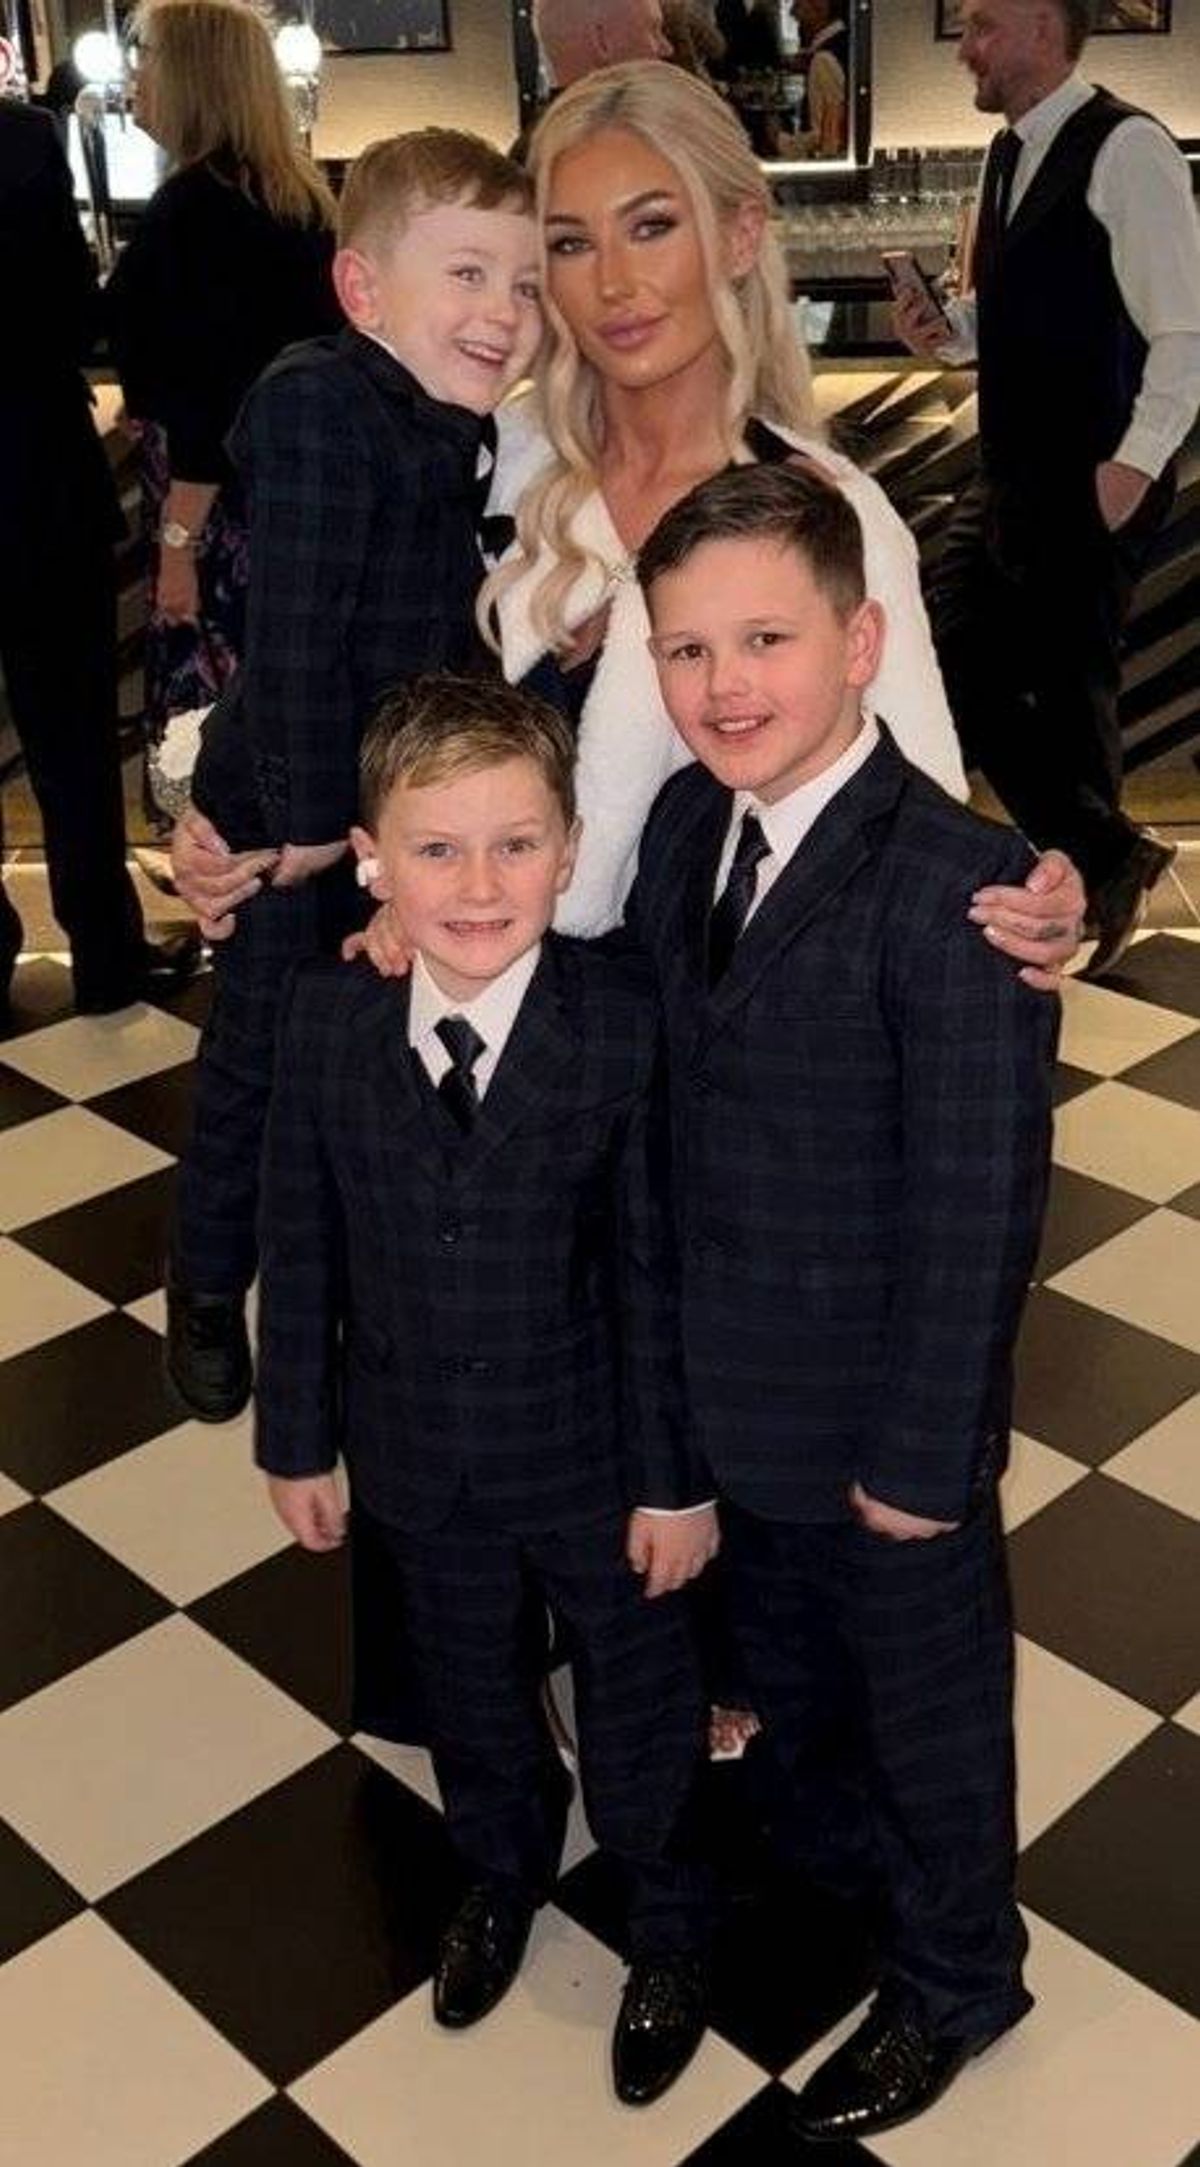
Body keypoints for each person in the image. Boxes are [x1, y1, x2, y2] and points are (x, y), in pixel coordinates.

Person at [630, 460, 1058, 2140]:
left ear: (863, 639)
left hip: (890, 1419)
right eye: (685, 650)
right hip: (737, 1392)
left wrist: (925, 1449)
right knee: (793, 1680)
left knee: (929, 1709)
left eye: (765, 639)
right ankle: (828, 1887)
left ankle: (961, 1970)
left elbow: (977, 1199)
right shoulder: (683, 823)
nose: (726, 685)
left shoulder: (957, 884)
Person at [256, 673, 717, 2107]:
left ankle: (669, 1915)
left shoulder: (620, 1021)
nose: (478, 883)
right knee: (468, 1686)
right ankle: (501, 1872)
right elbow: (301, 1233)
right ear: (372, 857)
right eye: (437, 850)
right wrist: (297, 1437)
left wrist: (674, 1476)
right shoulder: (328, 1019)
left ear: (572, 850)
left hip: (594, 1450)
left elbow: (654, 1270)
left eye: (516, 844)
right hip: (411, 1449)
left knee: (638, 1692)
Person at [479, 59, 1083, 962]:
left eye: (651, 226)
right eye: (570, 243)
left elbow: (916, 806)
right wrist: (235, 819)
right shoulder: (494, 463)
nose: (612, 282)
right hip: (488, 1038)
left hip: (721, 1051)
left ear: (737, 235)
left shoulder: (830, 511)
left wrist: (1030, 915)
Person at [164, 128, 542, 1421]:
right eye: (468, 276)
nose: (502, 311)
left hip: (386, 812)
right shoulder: (327, 403)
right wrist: (323, 831)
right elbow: (302, 641)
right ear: (364, 289)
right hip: (293, 811)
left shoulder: (454, 425)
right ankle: (209, 1283)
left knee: (365, 1063)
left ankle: (342, 1302)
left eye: (521, 281)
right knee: (262, 1061)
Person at [893, 0, 1200, 979]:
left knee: (1072, 691)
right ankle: (1111, 855)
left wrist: (1132, 468)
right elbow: (1021, 315)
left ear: (1037, 26)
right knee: (953, 652)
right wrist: (950, 334)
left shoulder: (1129, 148)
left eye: (981, 26)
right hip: (1012, 467)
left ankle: (1092, 891)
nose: (966, 52)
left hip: (1091, 475)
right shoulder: (1008, 154)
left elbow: (1187, 332)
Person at [0, 96, 197, 1016]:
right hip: (36, 471)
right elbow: (76, 311)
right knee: (73, 732)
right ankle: (105, 953)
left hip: (37, 468)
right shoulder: (24, 139)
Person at [105, 0, 341, 748]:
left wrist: (177, 547)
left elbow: (209, 406)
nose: (135, 80)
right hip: (284, 504)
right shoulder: (292, 199)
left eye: (147, 61)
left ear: (191, 78)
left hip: (216, 516)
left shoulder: (195, 212)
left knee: (211, 740)